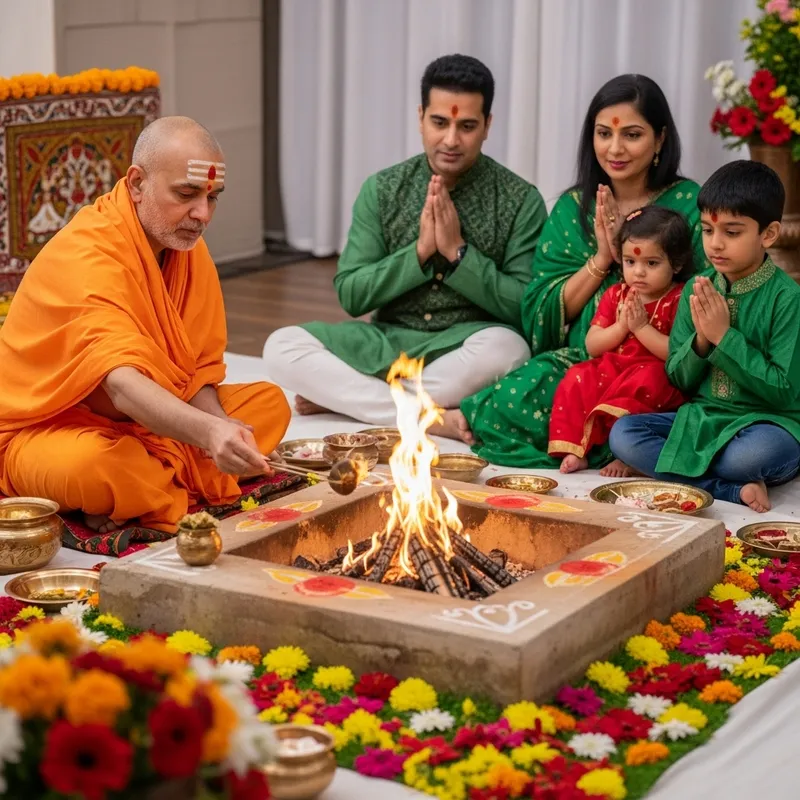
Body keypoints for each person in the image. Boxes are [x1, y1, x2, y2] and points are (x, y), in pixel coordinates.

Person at [0, 116, 291, 533]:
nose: (202, 214)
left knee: (268, 405)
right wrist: (208, 434)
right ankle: (153, 485)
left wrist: (220, 426)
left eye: (213, 197)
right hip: (53, 429)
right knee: (100, 467)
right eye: (187, 194)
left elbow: (196, 373)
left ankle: (140, 493)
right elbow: (120, 386)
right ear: (137, 184)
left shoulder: (187, 249)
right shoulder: (87, 253)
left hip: (150, 422)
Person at [262, 54, 547, 427]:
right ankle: (427, 417)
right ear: (420, 118)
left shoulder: (519, 199)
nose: (451, 140)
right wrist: (420, 253)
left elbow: (525, 307)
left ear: (488, 125)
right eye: (440, 122)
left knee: (510, 349)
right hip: (384, 342)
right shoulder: (383, 190)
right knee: (281, 347)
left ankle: (354, 401)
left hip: (463, 345)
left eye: (467, 126)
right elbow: (352, 294)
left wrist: (459, 256)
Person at [448, 74, 708, 467]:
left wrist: (637, 282)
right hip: (593, 359)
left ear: (660, 139)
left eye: (632, 135)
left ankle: (621, 443)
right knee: (524, 391)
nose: (615, 148)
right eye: (604, 133)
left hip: (664, 365)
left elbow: (707, 291)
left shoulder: (689, 205)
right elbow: (541, 309)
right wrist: (603, 259)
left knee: (660, 401)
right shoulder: (574, 208)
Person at [609, 160, 800, 512]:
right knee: (623, 435)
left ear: (768, 234)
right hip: (704, 419)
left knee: (749, 457)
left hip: (767, 423)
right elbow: (680, 379)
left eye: (732, 232)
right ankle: (728, 491)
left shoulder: (787, 298)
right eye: (709, 230)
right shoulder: (699, 290)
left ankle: (709, 474)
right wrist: (701, 341)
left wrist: (724, 336)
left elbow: (783, 390)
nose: (715, 244)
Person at [549, 206, 694, 475]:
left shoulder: (681, 298)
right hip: (614, 368)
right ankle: (578, 449)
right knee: (577, 377)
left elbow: (677, 354)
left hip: (656, 373)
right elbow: (593, 346)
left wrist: (640, 328)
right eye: (630, 262)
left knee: (647, 379)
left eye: (651, 263)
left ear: (677, 263)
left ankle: (629, 456)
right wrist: (621, 327)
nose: (638, 272)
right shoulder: (617, 295)